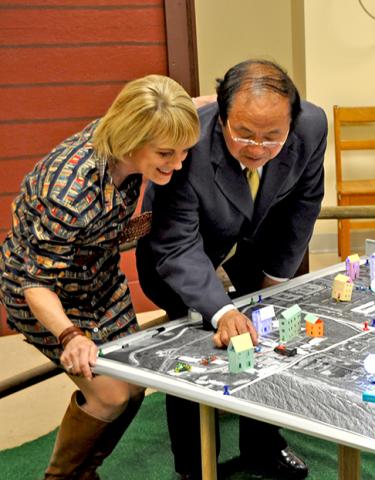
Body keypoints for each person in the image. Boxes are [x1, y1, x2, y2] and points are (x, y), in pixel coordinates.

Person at [0, 74, 200, 479]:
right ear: (132, 138)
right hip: (43, 292)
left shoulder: (135, 133)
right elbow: (37, 282)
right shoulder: (70, 192)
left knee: (135, 378)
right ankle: (61, 477)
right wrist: (70, 336)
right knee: (109, 395)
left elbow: (175, 106)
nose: (177, 163)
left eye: (183, 151)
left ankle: (86, 470)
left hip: (99, 277)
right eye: (166, 153)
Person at [137, 59, 328, 479]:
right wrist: (221, 311)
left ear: (292, 123)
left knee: (266, 330)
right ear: (222, 116)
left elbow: (303, 206)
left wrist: (274, 283)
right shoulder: (191, 141)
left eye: (271, 137)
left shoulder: (312, 126)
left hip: (250, 246)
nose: (256, 148)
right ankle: (193, 466)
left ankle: (264, 446)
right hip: (182, 255)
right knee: (193, 343)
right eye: (243, 133)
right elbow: (177, 243)